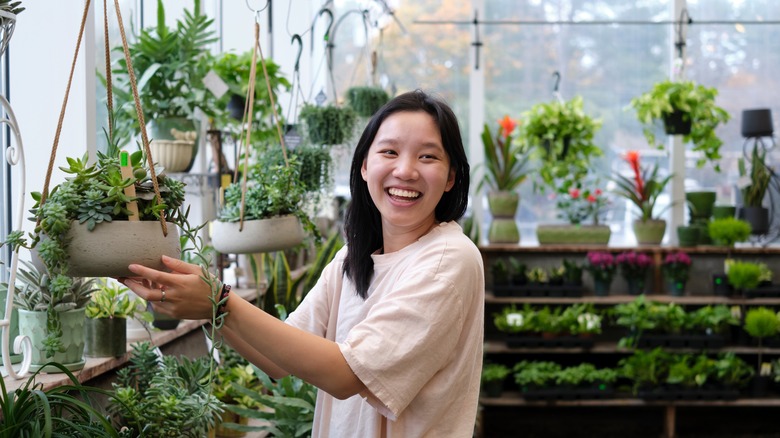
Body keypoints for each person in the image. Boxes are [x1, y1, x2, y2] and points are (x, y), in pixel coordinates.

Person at [120, 89, 485, 437]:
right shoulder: (353, 258)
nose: (405, 171)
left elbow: (346, 375)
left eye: (428, 156)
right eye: (389, 151)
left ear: (452, 177)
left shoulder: (448, 260)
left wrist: (219, 300)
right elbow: (276, 361)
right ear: (363, 166)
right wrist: (202, 303)